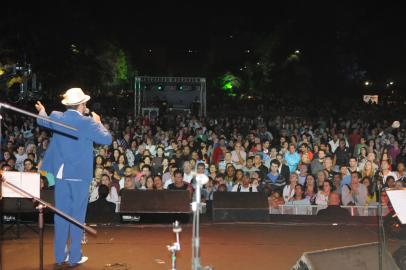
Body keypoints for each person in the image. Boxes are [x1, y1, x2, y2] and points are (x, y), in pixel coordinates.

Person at [35, 88, 112, 267]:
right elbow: (107, 139)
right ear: (81, 104)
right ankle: (74, 257)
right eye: (85, 103)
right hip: (79, 177)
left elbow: (42, 120)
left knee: (61, 216)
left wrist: (42, 111)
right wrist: (98, 122)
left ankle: (59, 256)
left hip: (62, 175)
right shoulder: (88, 123)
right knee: (77, 218)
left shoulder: (56, 116)